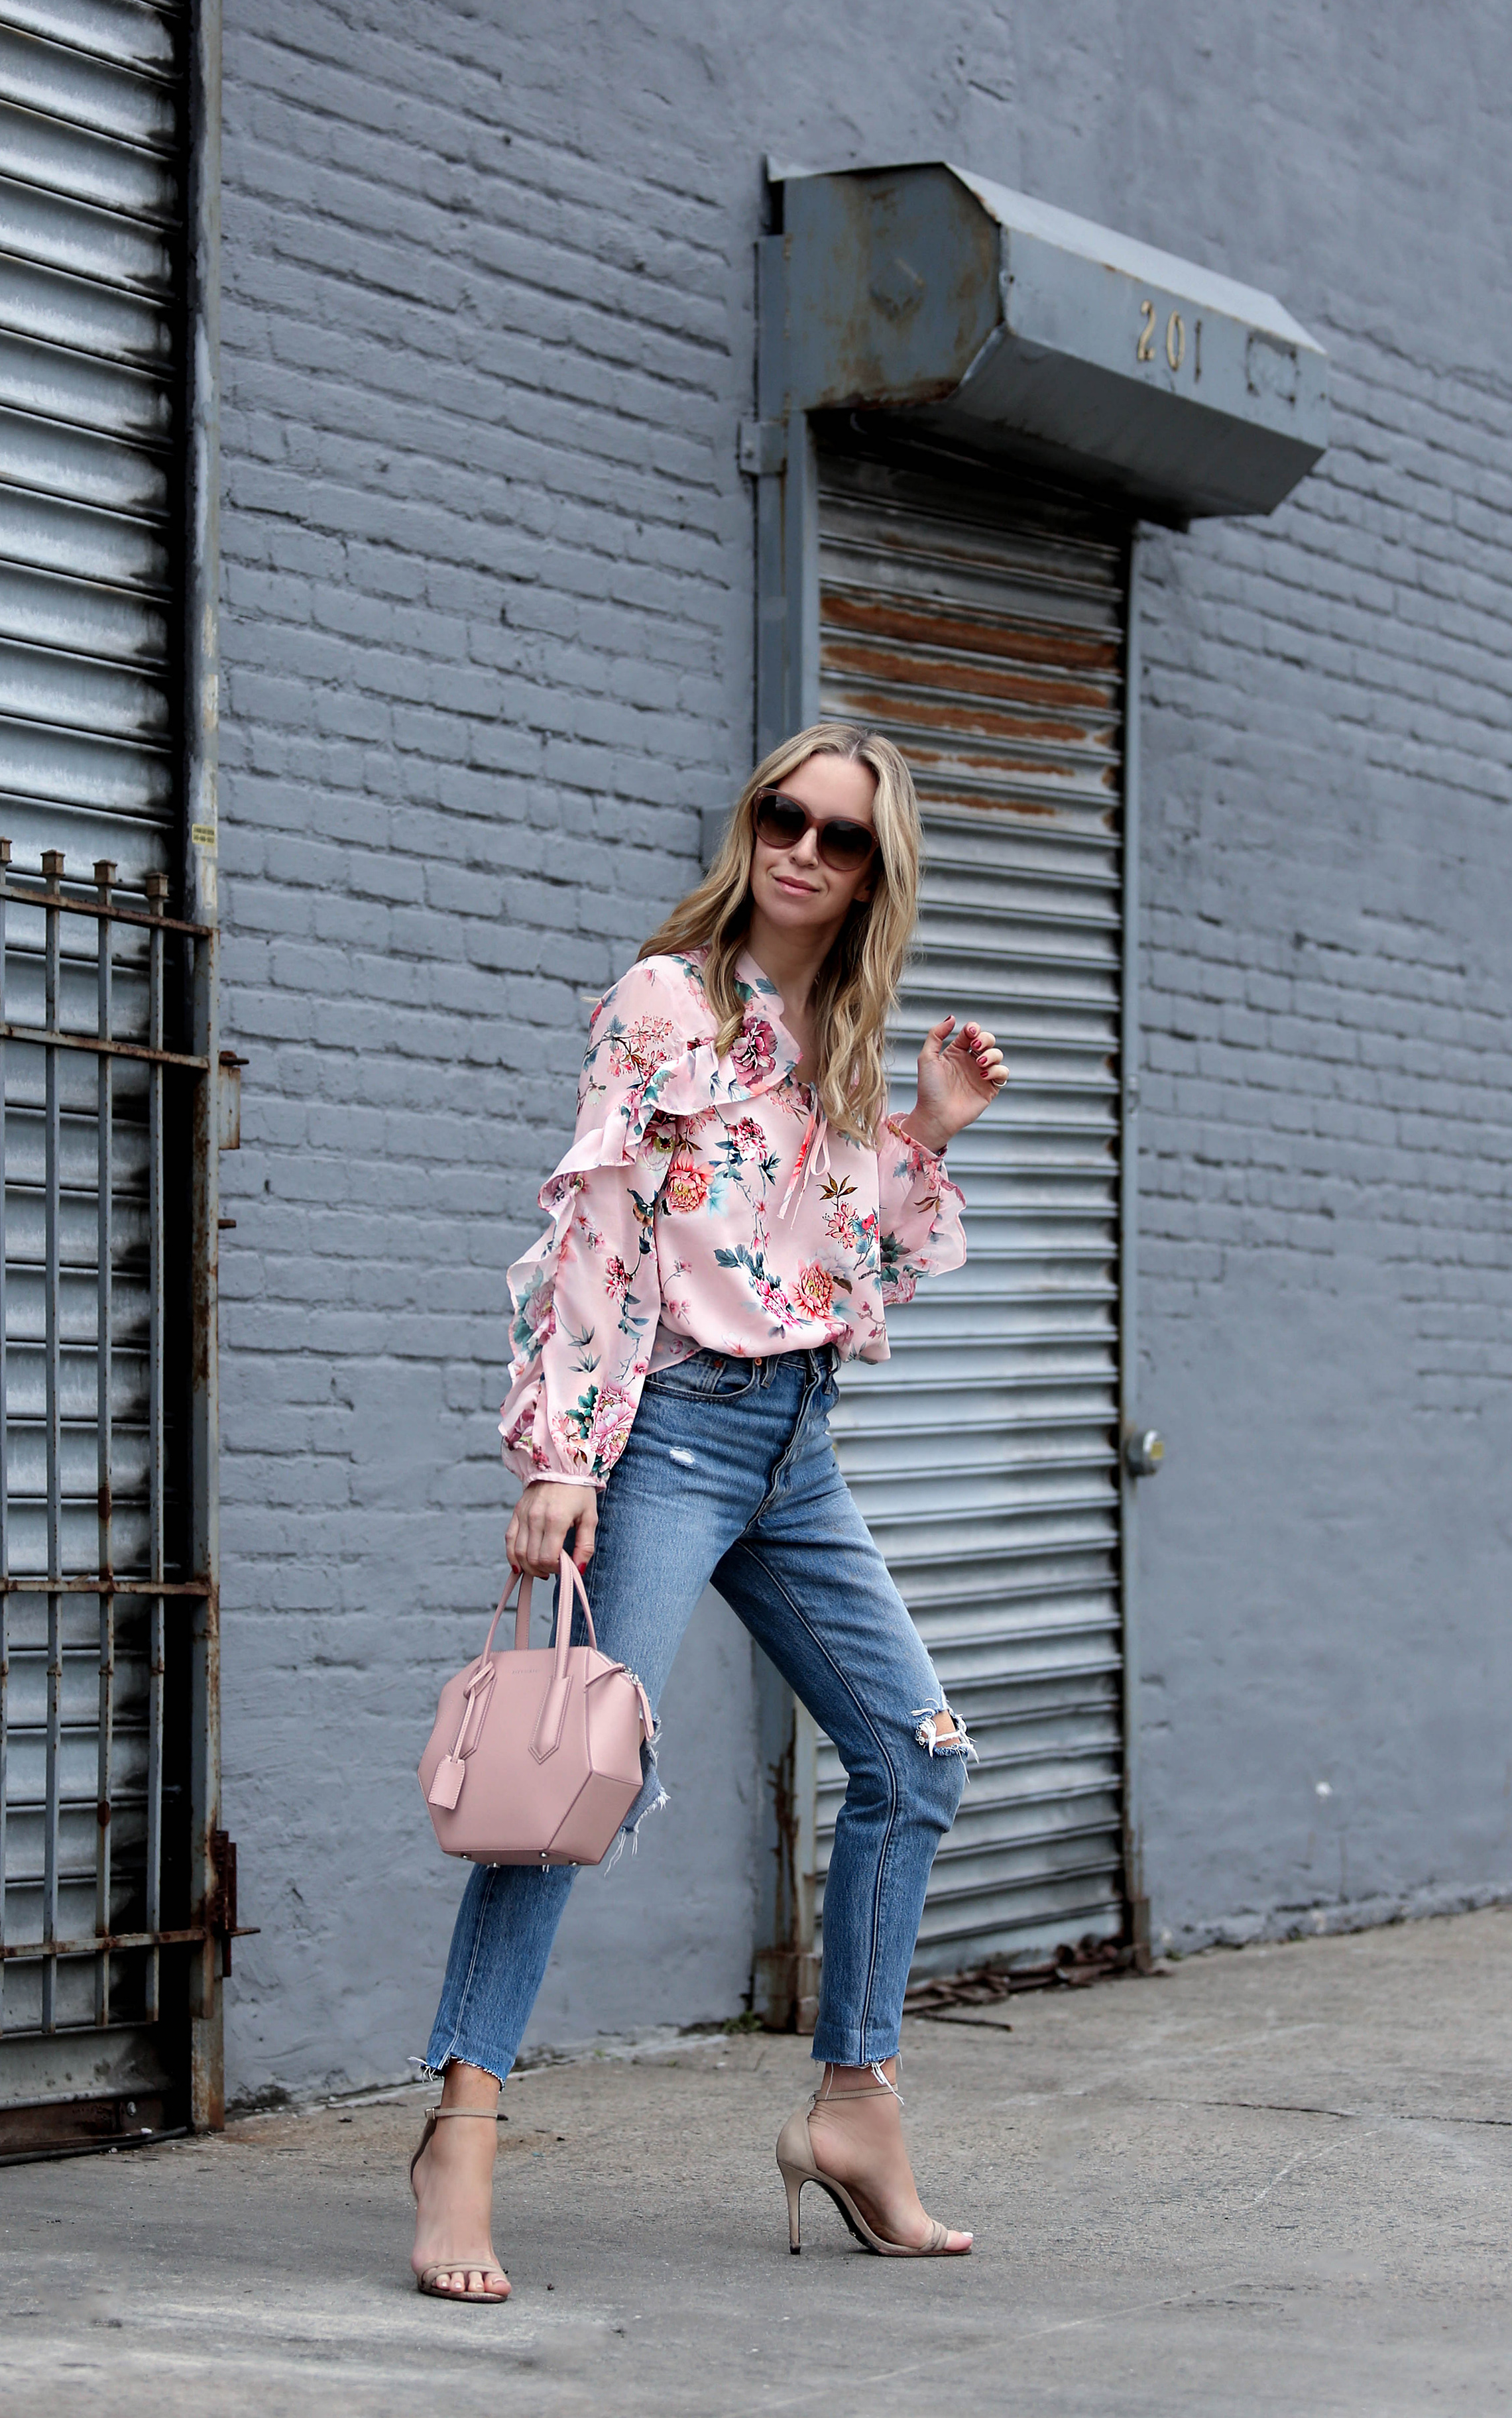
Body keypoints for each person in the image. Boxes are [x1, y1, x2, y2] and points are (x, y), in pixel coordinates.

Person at [410, 722, 1009, 2300]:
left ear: (878, 873)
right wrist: (560, 1453)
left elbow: (834, 1270)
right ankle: (458, 2132)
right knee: (564, 1779)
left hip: (795, 1444)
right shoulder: (667, 1000)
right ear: (748, 825)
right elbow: (599, 1231)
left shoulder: (853, 1038)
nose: (802, 847)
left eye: (840, 836)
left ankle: (854, 2108)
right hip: (667, 1434)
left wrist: (922, 1134)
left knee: (912, 1758)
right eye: (781, 815)